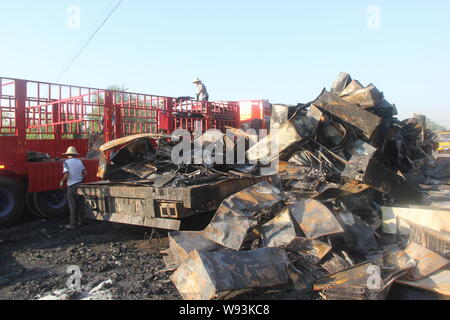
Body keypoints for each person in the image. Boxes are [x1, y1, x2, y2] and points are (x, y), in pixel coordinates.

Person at [59, 146, 87, 229]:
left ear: (68, 155)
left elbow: (66, 174)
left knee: (72, 206)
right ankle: (82, 222)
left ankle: (72, 224)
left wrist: (62, 181)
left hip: (71, 186)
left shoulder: (66, 163)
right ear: (75, 154)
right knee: (80, 205)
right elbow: (85, 173)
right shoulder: (79, 162)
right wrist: (82, 180)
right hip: (80, 185)